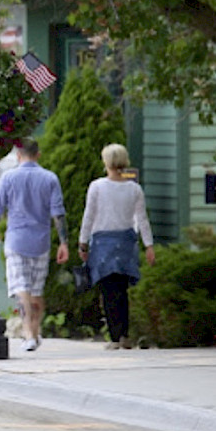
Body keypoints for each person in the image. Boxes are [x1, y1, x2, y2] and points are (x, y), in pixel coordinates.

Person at [0, 137, 69, 352]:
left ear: (18, 155)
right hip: (41, 242)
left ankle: (28, 333)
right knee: (35, 290)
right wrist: (64, 242)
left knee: (21, 289)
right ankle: (35, 331)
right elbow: (58, 214)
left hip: (16, 240)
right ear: (38, 154)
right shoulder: (50, 178)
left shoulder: (8, 178)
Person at [78, 143, 156, 350]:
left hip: (103, 243)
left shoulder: (97, 187)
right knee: (122, 289)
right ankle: (124, 334)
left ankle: (115, 336)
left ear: (106, 162)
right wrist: (149, 245)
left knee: (108, 290)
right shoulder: (134, 189)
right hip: (125, 244)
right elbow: (142, 219)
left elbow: (89, 215)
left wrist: (83, 242)